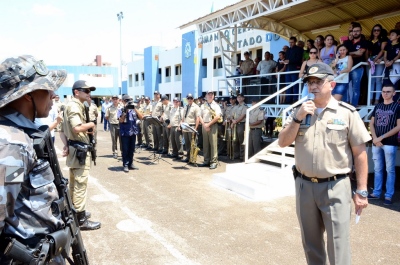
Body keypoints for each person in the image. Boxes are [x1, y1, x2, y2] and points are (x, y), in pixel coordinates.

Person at [278, 63, 370, 265]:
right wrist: (297, 118)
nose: (313, 86)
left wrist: (362, 190)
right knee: (311, 245)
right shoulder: (299, 111)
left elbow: (360, 153)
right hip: (304, 187)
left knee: (338, 245)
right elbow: (282, 142)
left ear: (332, 84)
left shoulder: (347, 113)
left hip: (335, 186)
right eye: (310, 82)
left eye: (318, 81)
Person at [0, 55, 69, 264]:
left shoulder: (21, 135)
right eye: (47, 89)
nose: (53, 95)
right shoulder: (13, 144)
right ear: (28, 95)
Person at [60, 80, 101, 231]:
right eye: (86, 91)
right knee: (80, 185)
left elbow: (63, 128)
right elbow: (77, 128)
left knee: (75, 183)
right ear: (76, 92)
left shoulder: (74, 105)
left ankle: (74, 212)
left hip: (75, 148)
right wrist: (91, 125)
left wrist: (66, 144)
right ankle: (80, 219)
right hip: (79, 150)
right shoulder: (74, 105)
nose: (89, 93)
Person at [368, 83, 400, 206]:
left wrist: (381, 137)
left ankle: (388, 195)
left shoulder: (397, 107)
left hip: (390, 143)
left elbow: (398, 126)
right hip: (377, 142)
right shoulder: (378, 106)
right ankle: (376, 192)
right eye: (383, 91)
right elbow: (371, 123)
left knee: (390, 170)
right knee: (377, 169)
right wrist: (375, 138)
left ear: (394, 93)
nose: (385, 94)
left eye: (388, 92)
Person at [344, 22, 369, 106]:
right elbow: (343, 54)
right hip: (347, 67)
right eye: (354, 31)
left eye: (357, 31)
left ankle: (354, 106)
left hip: (358, 67)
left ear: (361, 31)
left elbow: (360, 53)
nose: (355, 33)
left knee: (355, 88)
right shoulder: (347, 42)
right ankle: (344, 104)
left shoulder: (364, 42)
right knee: (344, 86)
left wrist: (349, 53)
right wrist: (354, 53)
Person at [117, 95, 143, 172]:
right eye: (127, 100)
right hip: (125, 132)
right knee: (125, 149)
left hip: (133, 132)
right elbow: (121, 120)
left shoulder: (134, 110)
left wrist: (134, 108)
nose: (128, 102)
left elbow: (141, 117)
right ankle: (125, 164)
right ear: (123, 101)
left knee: (132, 149)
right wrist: (125, 111)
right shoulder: (120, 109)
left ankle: (130, 163)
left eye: (130, 100)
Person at [199, 91, 222, 169]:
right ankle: (206, 161)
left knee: (213, 144)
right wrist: (204, 125)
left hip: (212, 126)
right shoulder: (203, 106)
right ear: (206, 96)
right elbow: (200, 116)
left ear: (214, 96)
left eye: (212, 94)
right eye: (208, 94)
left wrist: (208, 125)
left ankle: (213, 162)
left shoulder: (216, 106)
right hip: (204, 125)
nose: (210, 96)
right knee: (205, 144)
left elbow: (218, 117)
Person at [368, 24, 388, 104]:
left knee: (378, 79)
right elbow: (367, 51)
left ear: (381, 31)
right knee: (371, 80)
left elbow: (383, 50)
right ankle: (370, 99)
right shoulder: (369, 40)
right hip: (370, 60)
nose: (376, 32)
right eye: (374, 30)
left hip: (379, 60)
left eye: (378, 30)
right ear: (372, 31)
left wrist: (376, 59)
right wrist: (368, 59)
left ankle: (377, 100)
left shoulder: (383, 39)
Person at [181, 93, 200, 163]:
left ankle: (193, 158)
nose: (190, 100)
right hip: (186, 126)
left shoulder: (196, 107)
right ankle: (188, 157)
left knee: (193, 144)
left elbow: (197, 118)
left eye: (191, 98)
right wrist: (182, 126)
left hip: (192, 126)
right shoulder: (185, 106)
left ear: (193, 99)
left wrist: (195, 128)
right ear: (186, 99)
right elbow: (183, 117)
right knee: (187, 143)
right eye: (188, 98)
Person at [284, 36, 304, 103]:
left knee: (295, 85)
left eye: (292, 42)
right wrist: (285, 61)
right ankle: (288, 99)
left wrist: (289, 61)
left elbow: (298, 59)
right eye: (290, 42)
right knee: (288, 85)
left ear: (295, 42)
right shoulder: (288, 50)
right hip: (288, 68)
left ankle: (295, 99)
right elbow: (287, 59)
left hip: (295, 68)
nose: (291, 44)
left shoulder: (299, 49)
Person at [231, 93, 248, 161]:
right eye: (238, 97)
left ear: (243, 98)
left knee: (241, 140)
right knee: (235, 140)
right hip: (235, 124)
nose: (239, 99)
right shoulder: (236, 106)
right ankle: (236, 155)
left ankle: (242, 156)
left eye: (240, 97)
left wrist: (235, 121)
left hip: (241, 124)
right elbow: (231, 115)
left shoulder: (245, 106)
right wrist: (233, 120)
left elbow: (243, 115)